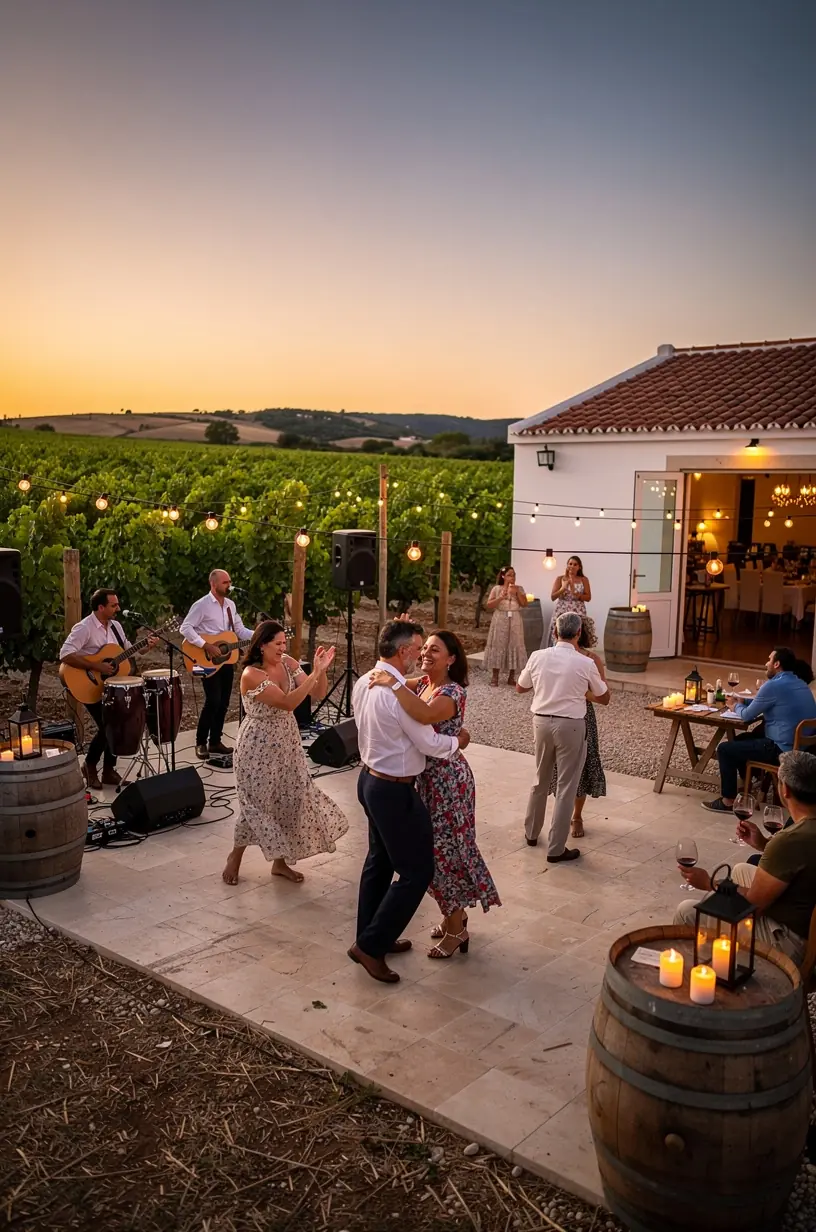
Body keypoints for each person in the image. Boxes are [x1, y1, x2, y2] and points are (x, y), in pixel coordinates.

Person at [350, 619, 470, 984]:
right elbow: (430, 742)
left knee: (379, 863)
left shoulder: (365, 680)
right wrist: (459, 741)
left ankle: (371, 937)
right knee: (418, 872)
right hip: (393, 790)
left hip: (369, 780)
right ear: (403, 651)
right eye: (418, 648)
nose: (421, 654)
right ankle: (370, 947)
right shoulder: (395, 692)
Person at [368, 630, 501, 958]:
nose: (426, 653)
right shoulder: (423, 683)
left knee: (444, 855)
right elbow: (390, 670)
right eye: (423, 648)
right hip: (427, 781)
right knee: (435, 851)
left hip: (447, 784)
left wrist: (396, 684)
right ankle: (452, 915)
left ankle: (457, 929)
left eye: (434, 650)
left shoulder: (451, 691)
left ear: (452, 658)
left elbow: (425, 715)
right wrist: (395, 635)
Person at [222, 622, 347, 886]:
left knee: (288, 799)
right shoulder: (251, 675)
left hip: (286, 741)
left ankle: (280, 863)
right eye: (277, 643)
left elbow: (318, 692)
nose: (282, 648)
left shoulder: (288, 662)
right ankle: (235, 855)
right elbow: (288, 702)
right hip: (258, 745)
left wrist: (320, 671)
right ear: (262, 644)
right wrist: (314, 674)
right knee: (257, 803)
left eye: (284, 643)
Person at [676, 749, 816, 965]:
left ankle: (696, 974)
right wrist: (763, 845)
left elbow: (752, 905)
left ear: (785, 790)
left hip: (790, 940)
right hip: (803, 915)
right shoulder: (805, 831)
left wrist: (709, 883)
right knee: (742, 869)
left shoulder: (789, 840)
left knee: (687, 911)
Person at [517, 611, 610, 862]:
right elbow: (604, 697)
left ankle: (531, 833)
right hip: (571, 725)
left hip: (541, 722)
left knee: (540, 779)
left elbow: (520, 687)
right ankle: (556, 848)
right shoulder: (586, 662)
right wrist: (582, 692)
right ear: (578, 633)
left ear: (555, 632)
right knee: (566, 786)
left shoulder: (538, 656)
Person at [59, 588, 157, 789]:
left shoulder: (116, 627)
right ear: (100, 607)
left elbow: (127, 649)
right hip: (88, 684)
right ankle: (90, 765)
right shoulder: (84, 628)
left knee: (116, 724)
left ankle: (109, 771)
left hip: (112, 686)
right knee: (108, 726)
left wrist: (147, 646)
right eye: (114, 605)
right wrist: (97, 666)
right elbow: (65, 654)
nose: (118, 608)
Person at [702, 646, 816, 813]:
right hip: (803, 748)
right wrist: (742, 701)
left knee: (725, 749)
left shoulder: (773, 685)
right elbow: (762, 704)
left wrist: (734, 706)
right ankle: (746, 786)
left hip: (782, 750)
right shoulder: (799, 683)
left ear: (776, 664)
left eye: (769, 660)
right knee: (740, 741)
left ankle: (728, 801)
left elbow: (747, 716)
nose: (766, 663)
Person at [179, 569, 255, 760]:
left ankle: (215, 741)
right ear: (213, 584)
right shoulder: (202, 605)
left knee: (223, 703)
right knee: (212, 701)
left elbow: (239, 630)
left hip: (226, 661)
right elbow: (185, 628)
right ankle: (200, 742)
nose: (229, 585)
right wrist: (206, 645)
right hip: (206, 660)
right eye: (225, 582)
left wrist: (261, 634)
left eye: (229, 582)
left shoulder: (230, 605)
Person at [549, 621, 607, 838]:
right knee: (558, 765)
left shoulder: (591, 659)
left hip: (583, 716)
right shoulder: (552, 655)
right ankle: (561, 814)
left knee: (582, 766)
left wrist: (581, 692)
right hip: (557, 713)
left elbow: (603, 696)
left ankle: (577, 816)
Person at [483, 566, 528, 687]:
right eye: (509, 575)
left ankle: (511, 677)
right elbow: (489, 604)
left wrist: (517, 593)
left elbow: (524, 604)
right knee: (499, 644)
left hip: (515, 618)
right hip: (500, 618)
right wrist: (501, 597)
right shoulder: (497, 589)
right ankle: (495, 676)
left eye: (513, 575)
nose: (512, 577)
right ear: (503, 576)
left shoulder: (519, 588)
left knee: (514, 644)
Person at [548, 555, 595, 646]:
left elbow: (588, 597)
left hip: (578, 609)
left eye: (575, 564)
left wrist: (575, 592)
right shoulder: (560, 579)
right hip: (562, 609)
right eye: (570, 564)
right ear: (567, 565)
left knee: (576, 634)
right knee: (560, 633)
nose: (572, 566)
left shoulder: (583, 580)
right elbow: (553, 597)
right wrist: (563, 588)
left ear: (579, 567)